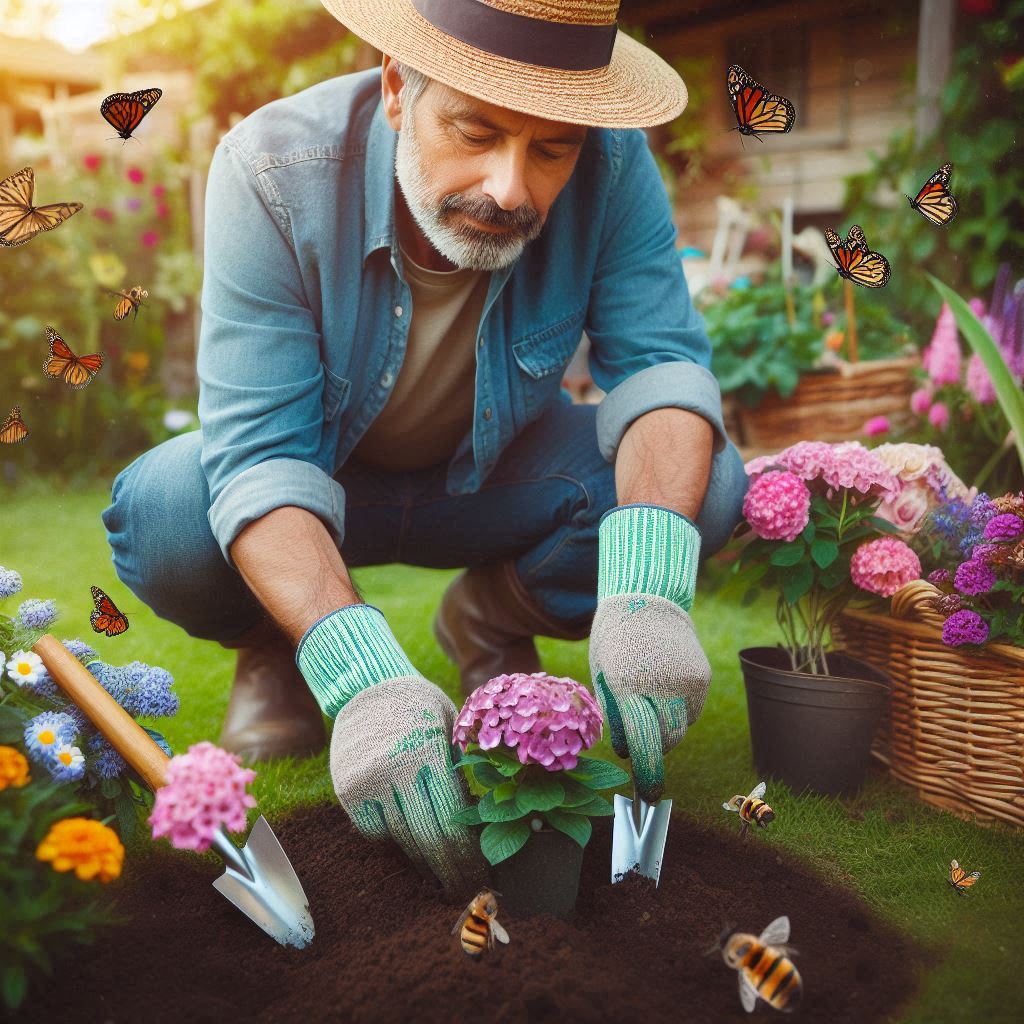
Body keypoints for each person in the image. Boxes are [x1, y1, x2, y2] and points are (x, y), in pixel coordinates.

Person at [101, 0, 748, 898]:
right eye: (476, 130)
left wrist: (647, 587)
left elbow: (662, 369)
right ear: (401, 86)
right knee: (169, 509)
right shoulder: (271, 167)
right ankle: (278, 649)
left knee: (705, 481)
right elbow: (260, 459)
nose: (510, 188)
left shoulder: (612, 160)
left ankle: (487, 617)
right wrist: (364, 680)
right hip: (325, 485)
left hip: (498, 479)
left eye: (549, 149)